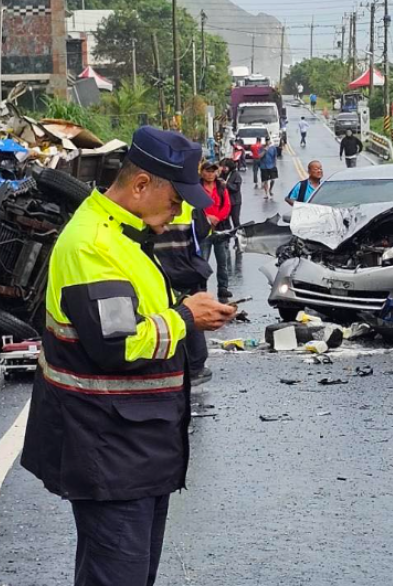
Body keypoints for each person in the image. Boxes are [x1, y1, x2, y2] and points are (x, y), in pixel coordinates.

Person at [21, 126, 236, 586]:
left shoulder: (126, 236)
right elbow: (117, 346)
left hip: (136, 449)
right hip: (109, 450)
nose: (180, 211)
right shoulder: (95, 246)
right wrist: (184, 318)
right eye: (176, 199)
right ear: (141, 185)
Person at [151, 201, 214, 386]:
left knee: (167, 316)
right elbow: (203, 232)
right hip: (185, 268)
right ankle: (195, 367)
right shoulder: (189, 203)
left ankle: (179, 364)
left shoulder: (145, 204)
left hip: (159, 270)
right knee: (191, 315)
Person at [199, 161, 232, 302]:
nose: (210, 174)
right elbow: (194, 206)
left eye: (213, 171)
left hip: (220, 228)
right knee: (202, 261)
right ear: (201, 172)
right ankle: (201, 288)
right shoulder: (197, 187)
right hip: (203, 228)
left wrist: (217, 218)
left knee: (222, 260)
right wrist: (207, 218)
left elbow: (227, 205)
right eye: (207, 171)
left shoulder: (221, 186)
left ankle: (223, 287)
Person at [220, 158, 243, 230]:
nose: (224, 169)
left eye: (225, 167)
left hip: (235, 201)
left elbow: (236, 188)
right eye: (223, 167)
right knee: (225, 219)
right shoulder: (222, 174)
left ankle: (238, 234)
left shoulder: (236, 175)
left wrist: (227, 184)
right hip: (225, 201)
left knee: (235, 220)